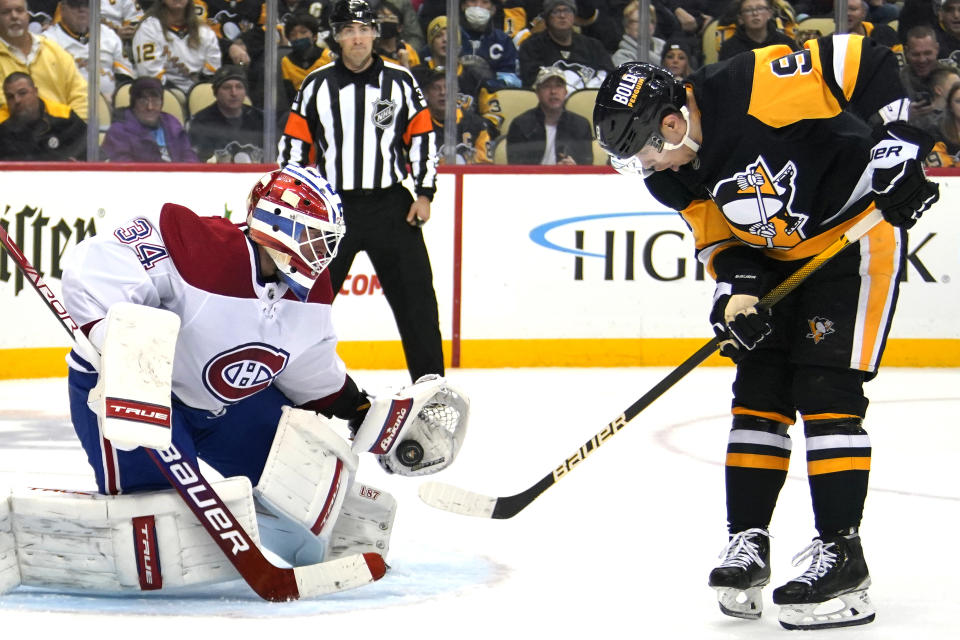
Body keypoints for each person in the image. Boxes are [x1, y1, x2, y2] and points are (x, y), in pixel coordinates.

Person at [594, 34, 940, 630]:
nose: (646, 169)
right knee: (758, 397)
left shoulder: (751, 85)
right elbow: (721, 238)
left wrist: (899, 142)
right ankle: (748, 542)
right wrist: (739, 291)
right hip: (776, 261)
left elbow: (865, 58)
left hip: (854, 240)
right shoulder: (671, 175)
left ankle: (842, 555)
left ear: (673, 124)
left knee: (827, 394)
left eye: (646, 153)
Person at [44, 164, 468, 595]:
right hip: (127, 394)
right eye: (316, 236)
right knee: (162, 521)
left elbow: (311, 365)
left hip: (224, 406)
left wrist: (358, 409)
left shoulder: (312, 291)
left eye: (329, 241)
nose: (324, 253)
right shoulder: (198, 246)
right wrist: (118, 339)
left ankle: (316, 542)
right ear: (278, 225)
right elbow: (100, 262)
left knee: (307, 473)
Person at [278, 0, 443, 383]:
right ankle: (284, 381)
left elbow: (421, 137)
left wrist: (423, 192)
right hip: (333, 211)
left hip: (391, 206)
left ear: (375, 34)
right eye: (348, 31)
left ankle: (431, 386)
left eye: (363, 29)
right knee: (303, 301)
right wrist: (295, 204)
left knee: (417, 302)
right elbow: (293, 148)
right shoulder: (316, 85)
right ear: (336, 37)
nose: (357, 38)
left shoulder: (400, 80)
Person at [0, 0, 88, 119]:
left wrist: (71, 129)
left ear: (28, 15)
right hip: (11, 134)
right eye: (6, 12)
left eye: (19, 11)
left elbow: (81, 97)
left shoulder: (54, 50)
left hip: (64, 130)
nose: (14, 16)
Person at [45, 0, 134, 102]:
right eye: (75, 5)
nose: (82, 9)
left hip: (110, 107)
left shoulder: (110, 36)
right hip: (68, 107)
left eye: (88, 4)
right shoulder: (48, 41)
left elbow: (126, 79)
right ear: (62, 8)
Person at [518, 0, 614, 92]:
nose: (562, 16)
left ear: (574, 16)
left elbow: (611, 79)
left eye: (567, 10)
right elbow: (532, 83)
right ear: (547, 17)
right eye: (556, 11)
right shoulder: (532, 46)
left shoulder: (593, 46)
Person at [506, 65, 592, 165]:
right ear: (537, 93)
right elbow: (516, 168)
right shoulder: (520, 125)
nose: (553, 92)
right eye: (547, 86)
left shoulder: (581, 125)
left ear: (565, 92)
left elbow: (587, 163)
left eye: (558, 86)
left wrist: (575, 168)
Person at [132, 0, 222, 95]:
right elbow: (150, 77)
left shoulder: (205, 32)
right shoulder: (148, 29)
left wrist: (197, 95)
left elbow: (212, 76)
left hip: (199, 96)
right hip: (159, 96)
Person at [101, 76, 198, 161]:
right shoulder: (119, 132)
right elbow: (125, 169)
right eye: (143, 100)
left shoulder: (172, 123)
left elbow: (189, 156)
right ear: (133, 103)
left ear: (162, 102)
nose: (150, 107)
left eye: (155, 100)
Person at [416, 66, 494, 163]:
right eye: (436, 88)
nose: (442, 92)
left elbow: (486, 164)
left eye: (447, 87)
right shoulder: (417, 125)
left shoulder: (476, 125)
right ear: (426, 93)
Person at [0, 71, 86, 160]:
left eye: (22, 93)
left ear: (35, 92)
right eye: (10, 97)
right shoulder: (2, 124)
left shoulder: (64, 116)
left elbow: (88, 154)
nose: (17, 100)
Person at [187, 64, 265, 162]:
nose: (234, 93)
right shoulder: (201, 122)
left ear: (245, 92)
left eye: (239, 87)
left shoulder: (260, 119)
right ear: (216, 92)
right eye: (227, 87)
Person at [459, 0, 522, 89]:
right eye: (473, 1)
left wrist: (489, 83)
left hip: (491, 96)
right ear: (463, 5)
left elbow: (511, 78)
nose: (478, 6)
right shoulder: (449, 36)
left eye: (485, 2)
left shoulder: (502, 40)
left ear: (493, 9)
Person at [718, 0, 797, 61]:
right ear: (740, 18)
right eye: (748, 10)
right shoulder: (729, 48)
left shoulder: (785, 43)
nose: (755, 13)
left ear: (769, 13)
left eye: (760, 8)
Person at [901, 26, 947, 128]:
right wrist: (903, 116)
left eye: (927, 53)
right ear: (906, 52)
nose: (922, 60)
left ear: (937, 49)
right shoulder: (897, 82)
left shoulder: (951, 78)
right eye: (916, 54)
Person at [281, 12, 326, 106]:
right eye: (293, 34)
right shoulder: (286, 62)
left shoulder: (328, 56)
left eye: (303, 32)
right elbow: (291, 97)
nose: (298, 37)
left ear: (314, 36)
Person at [612, 2, 666, 68]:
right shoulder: (621, 56)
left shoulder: (666, 48)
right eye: (638, 21)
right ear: (627, 26)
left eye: (649, 21)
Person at [374, 0, 419, 68]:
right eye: (381, 18)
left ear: (400, 27)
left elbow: (416, 77)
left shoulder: (408, 50)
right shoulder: (371, 54)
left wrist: (405, 65)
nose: (386, 21)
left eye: (391, 18)